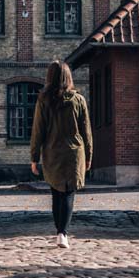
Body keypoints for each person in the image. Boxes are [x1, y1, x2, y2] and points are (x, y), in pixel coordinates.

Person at [29, 60, 93, 249]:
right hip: (74, 154)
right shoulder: (78, 100)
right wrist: (89, 155)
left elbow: (38, 130)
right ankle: (62, 233)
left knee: (56, 192)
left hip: (52, 153)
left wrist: (34, 157)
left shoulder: (43, 100)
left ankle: (59, 232)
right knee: (68, 194)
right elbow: (86, 131)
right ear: (68, 77)